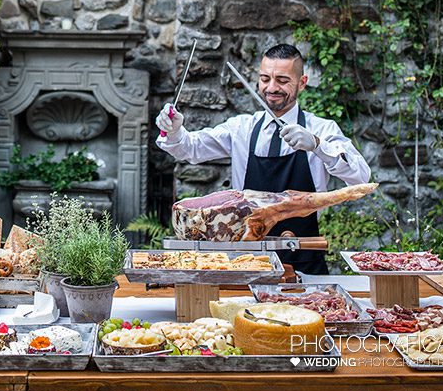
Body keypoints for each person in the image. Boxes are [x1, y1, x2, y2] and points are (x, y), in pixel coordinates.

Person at [155, 43, 371, 275]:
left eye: (282, 80)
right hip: (247, 263)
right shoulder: (242, 128)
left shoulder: (322, 129)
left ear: (302, 82)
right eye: (265, 78)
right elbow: (190, 148)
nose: (271, 87)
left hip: (305, 265)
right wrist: (175, 130)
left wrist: (318, 145)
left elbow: (361, 177)